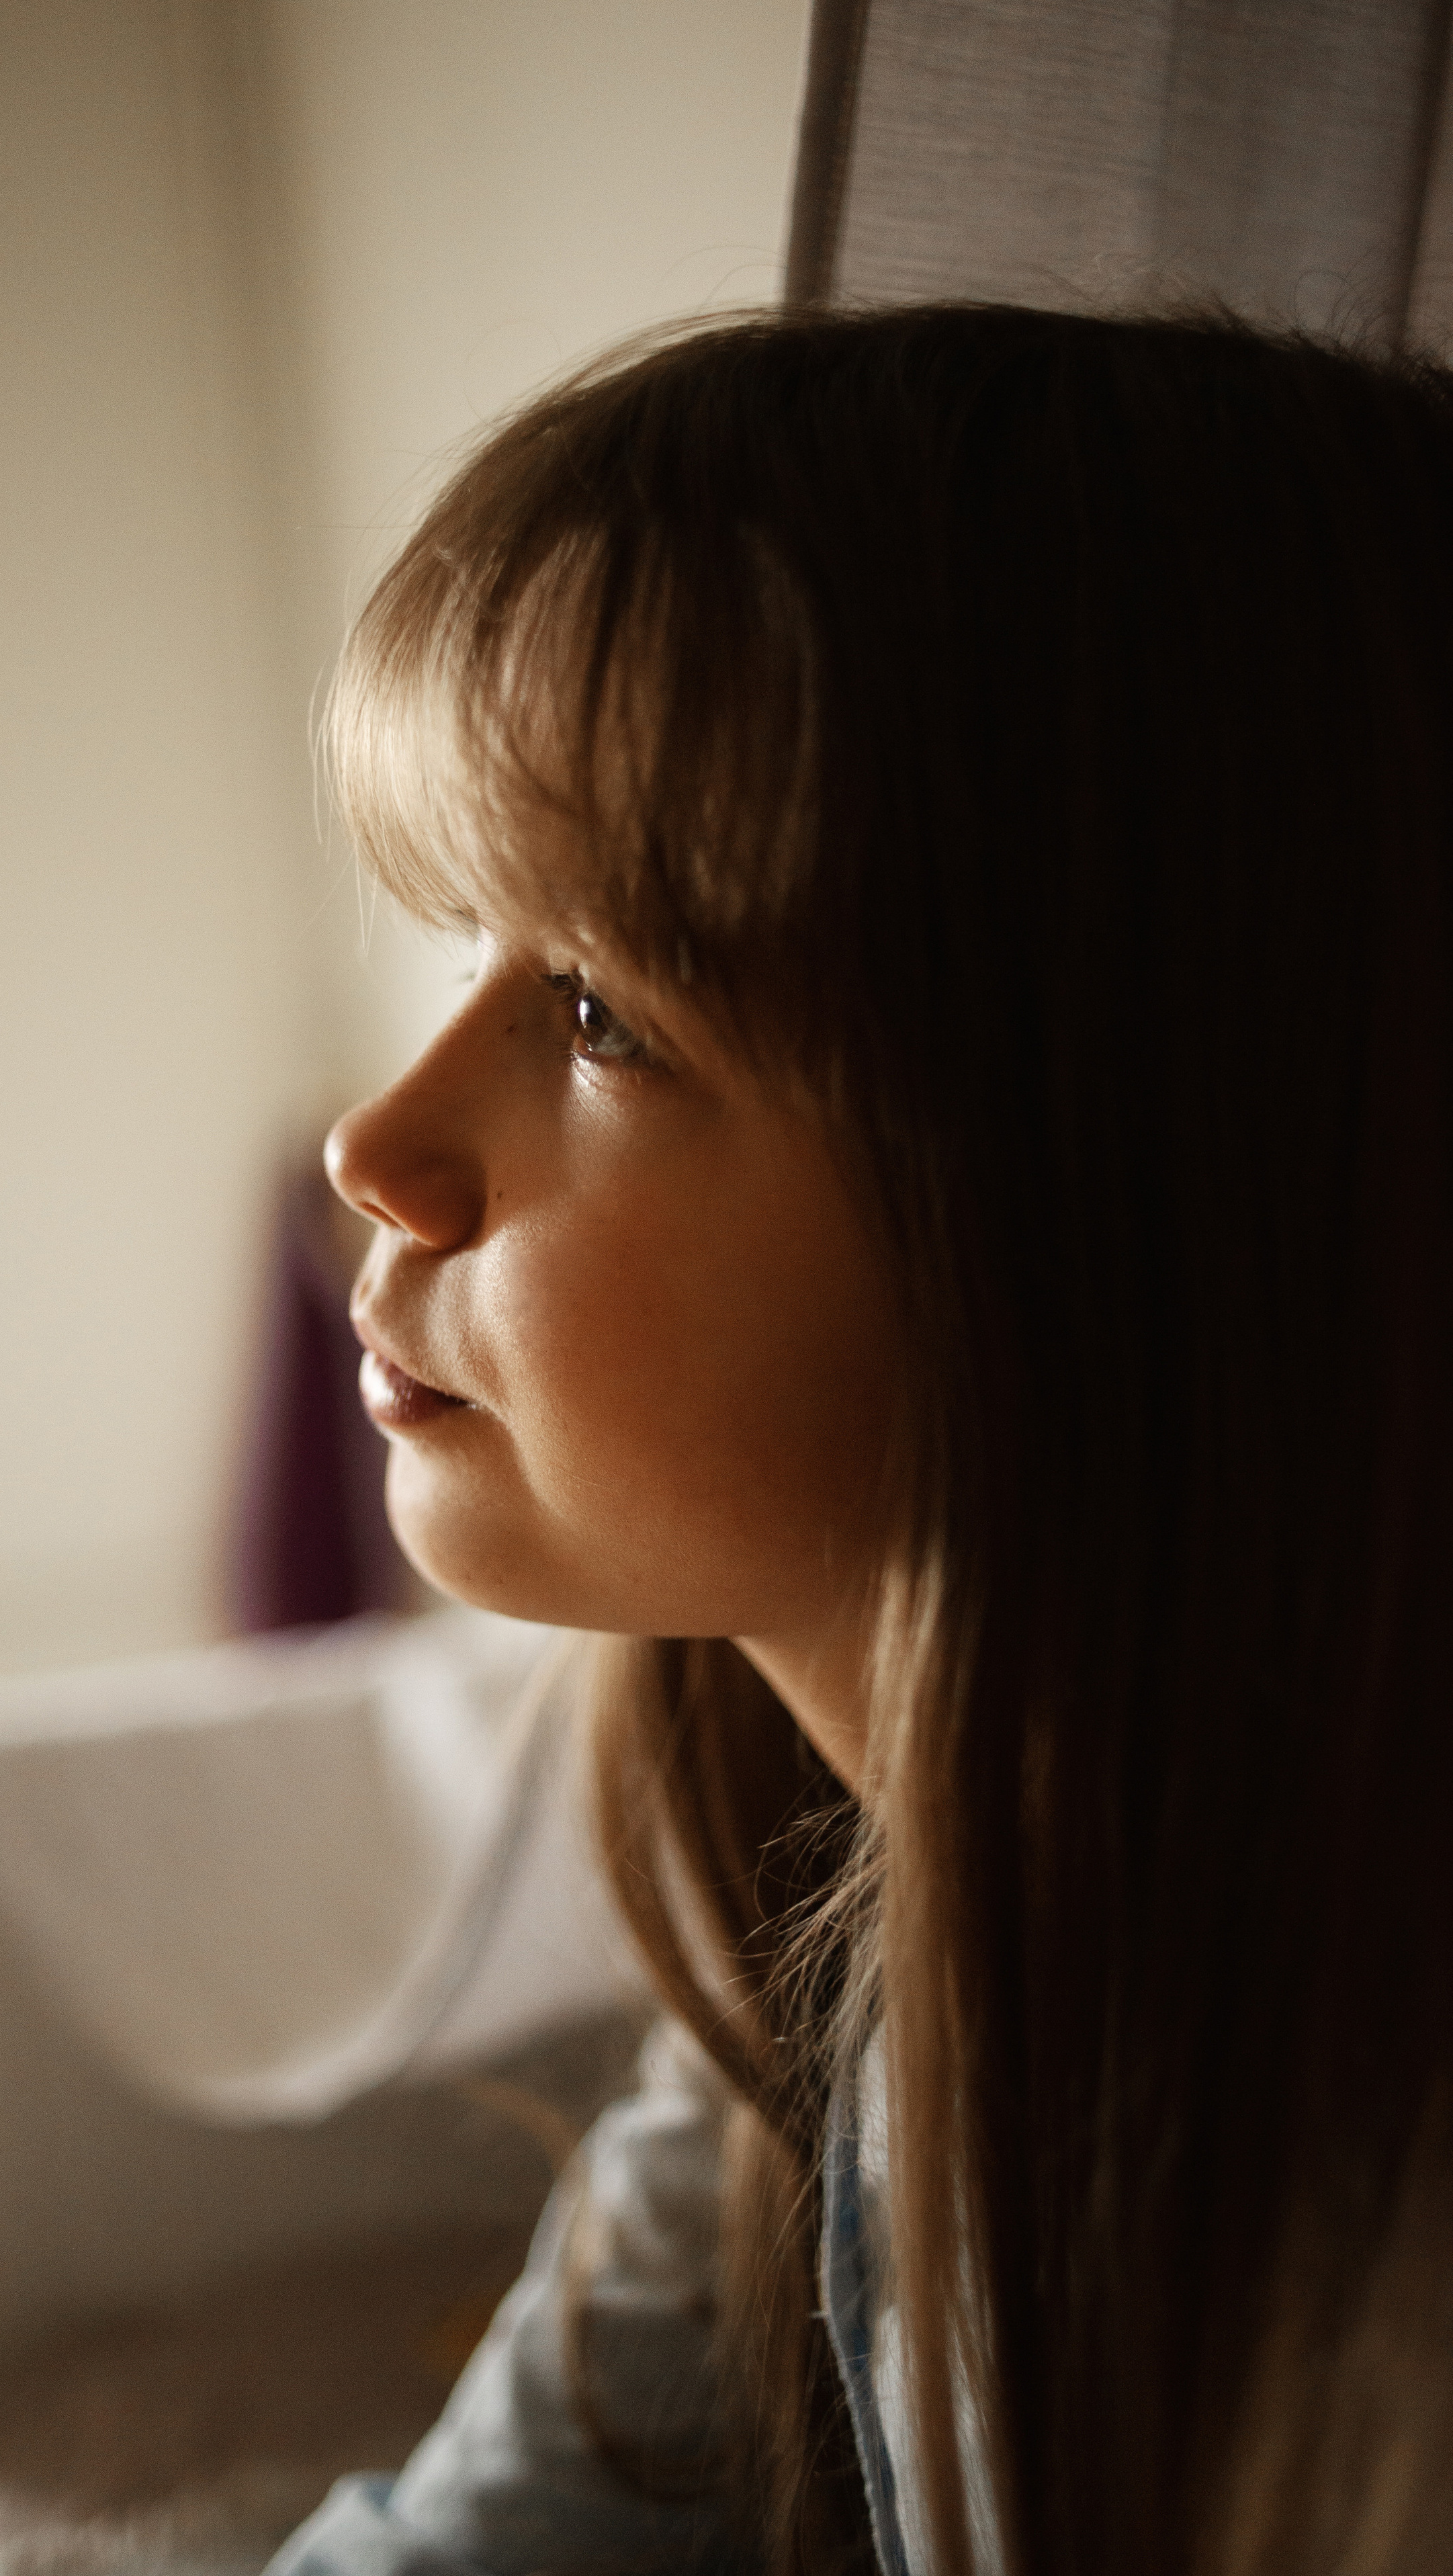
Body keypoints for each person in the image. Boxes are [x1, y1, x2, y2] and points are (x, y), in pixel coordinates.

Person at [266, 305, 1453, 2576]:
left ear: (1115, 1195)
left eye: (604, 1008)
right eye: (476, 954)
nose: (378, 1144)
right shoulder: (831, 1959)